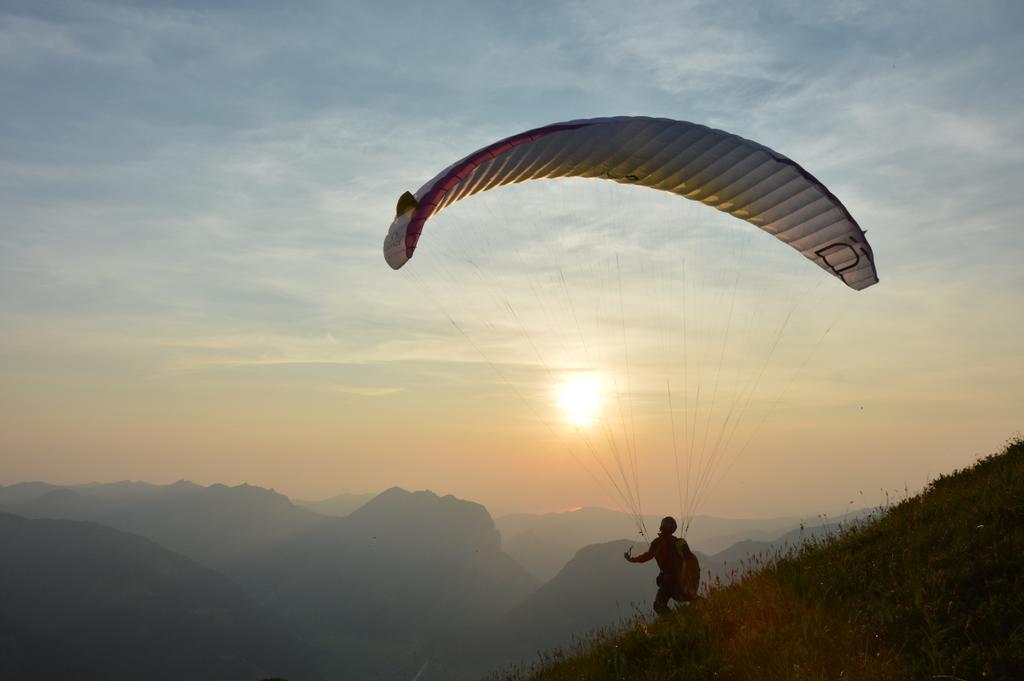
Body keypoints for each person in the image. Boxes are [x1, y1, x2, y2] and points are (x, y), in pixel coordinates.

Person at [624, 516, 700, 616]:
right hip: (681, 579)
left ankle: (674, 623)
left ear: (661, 527)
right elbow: (690, 559)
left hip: (669, 581)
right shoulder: (680, 542)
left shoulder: (658, 543)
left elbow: (647, 556)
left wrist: (631, 559)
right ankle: (706, 605)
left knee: (659, 605)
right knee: (687, 597)